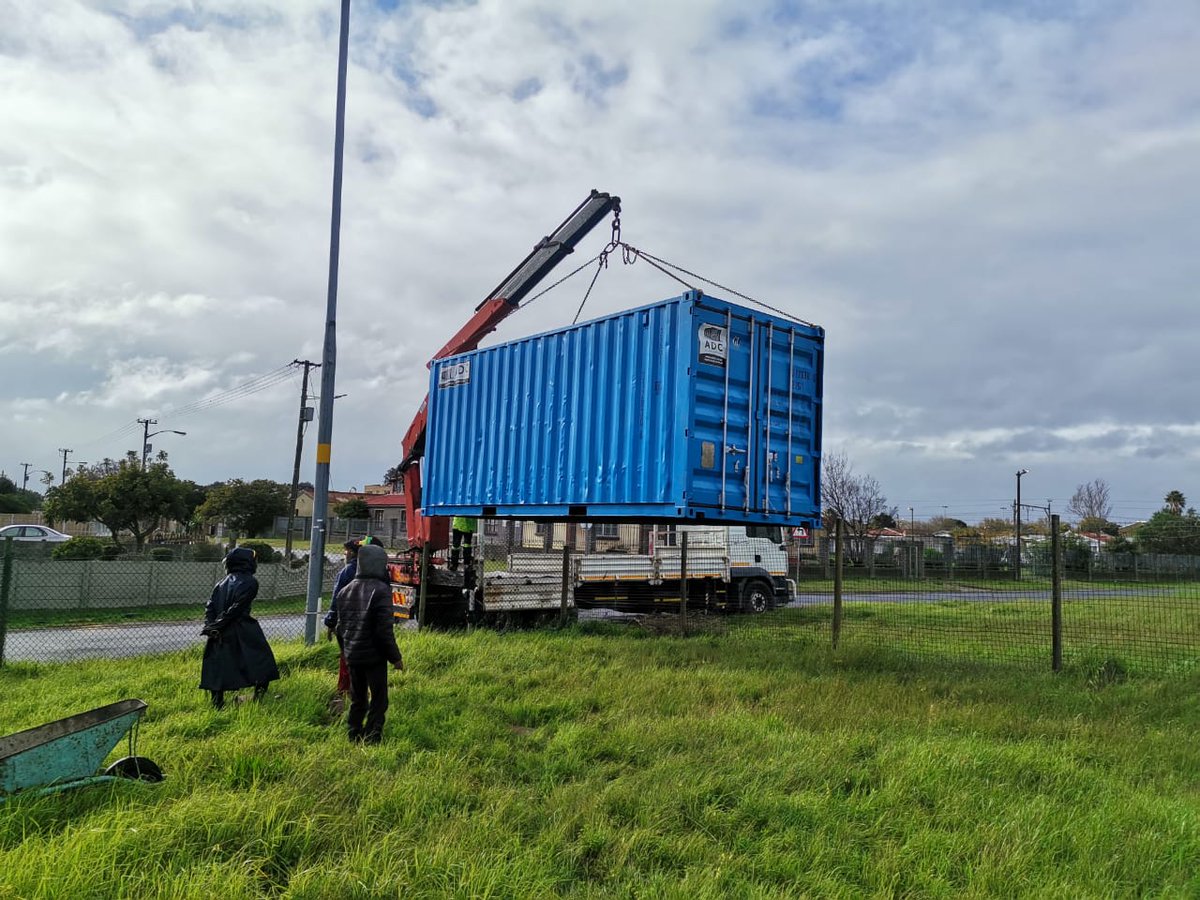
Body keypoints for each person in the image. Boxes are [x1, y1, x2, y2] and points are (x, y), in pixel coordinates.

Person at [334, 542, 404, 743]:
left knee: (358, 699)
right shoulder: (381, 590)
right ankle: (373, 737)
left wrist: (346, 651)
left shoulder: (345, 591)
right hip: (374, 657)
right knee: (379, 700)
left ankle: (353, 734)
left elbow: (340, 629)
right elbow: (384, 631)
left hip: (353, 656)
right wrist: (395, 658)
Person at [199, 546, 280, 709]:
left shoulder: (221, 583)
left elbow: (210, 606)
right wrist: (215, 625)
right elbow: (237, 608)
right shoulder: (250, 582)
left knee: (219, 665)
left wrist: (212, 625)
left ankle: (217, 704)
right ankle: (258, 696)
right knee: (261, 661)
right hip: (242, 628)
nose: (255, 563)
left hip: (220, 630)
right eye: (254, 560)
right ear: (246, 562)